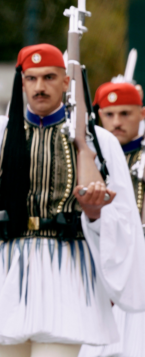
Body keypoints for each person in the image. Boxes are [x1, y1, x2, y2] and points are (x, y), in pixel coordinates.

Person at [0, 44, 145, 357]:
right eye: (31, 78)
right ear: (22, 82)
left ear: (66, 81)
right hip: (10, 265)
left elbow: (123, 215)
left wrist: (96, 216)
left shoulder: (98, 141)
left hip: (67, 266)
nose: (40, 87)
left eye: (49, 77)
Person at [79, 81, 145, 357]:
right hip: (95, 265)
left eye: (125, 114)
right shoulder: (86, 159)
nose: (116, 122)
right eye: (109, 114)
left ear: (142, 114)